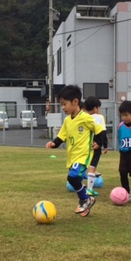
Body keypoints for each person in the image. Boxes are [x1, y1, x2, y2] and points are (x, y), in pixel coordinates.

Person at [46, 85, 105, 217]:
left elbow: (99, 129)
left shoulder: (86, 117)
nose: (63, 108)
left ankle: (85, 199)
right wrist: (53, 143)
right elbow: (62, 136)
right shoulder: (67, 120)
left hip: (83, 155)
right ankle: (86, 202)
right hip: (72, 157)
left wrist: (99, 142)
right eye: (61, 104)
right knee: (74, 179)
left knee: (72, 177)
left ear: (75, 102)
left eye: (64, 104)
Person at [83, 96, 109, 196]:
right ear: (95, 108)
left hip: (85, 146)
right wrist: (104, 145)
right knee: (93, 167)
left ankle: (81, 186)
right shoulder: (100, 117)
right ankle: (89, 189)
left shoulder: (84, 117)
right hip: (95, 146)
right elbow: (103, 132)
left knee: (83, 165)